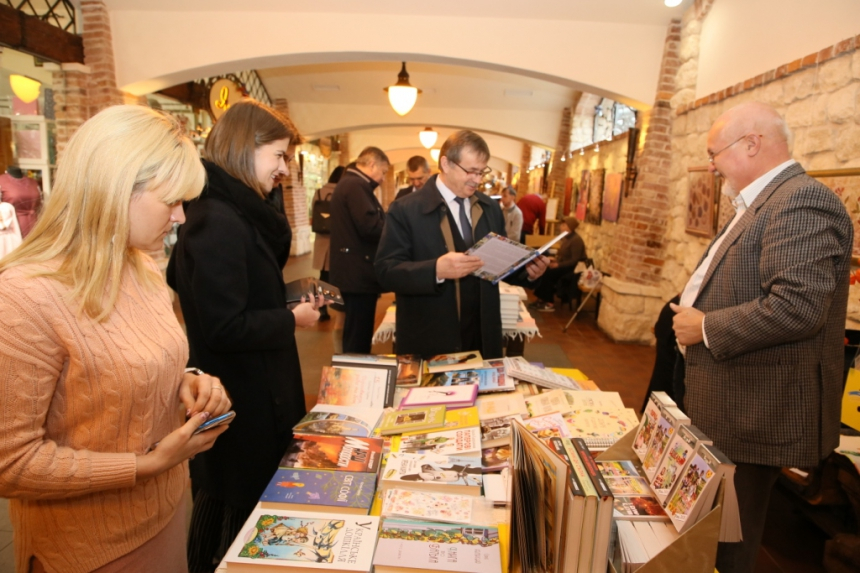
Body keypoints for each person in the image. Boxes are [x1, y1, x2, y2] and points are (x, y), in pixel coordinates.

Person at [0, 105, 232, 573]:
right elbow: (11, 462)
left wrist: (186, 379)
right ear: (117, 190)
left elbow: (123, 362)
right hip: (88, 549)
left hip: (166, 513)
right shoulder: (24, 296)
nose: (181, 217)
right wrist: (146, 465)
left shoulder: (141, 266)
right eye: (172, 201)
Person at [671, 102, 852, 573]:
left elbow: (797, 308)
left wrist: (704, 327)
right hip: (733, 396)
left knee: (730, 539)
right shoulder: (765, 200)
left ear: (752, 144)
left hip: (755, 409)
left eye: (714, 153)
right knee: (715, 530)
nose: (711, 166)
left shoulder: (800, 200)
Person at [166, 100, 322, 573]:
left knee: (236, 506)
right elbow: (224, 325)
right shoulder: (218, 219)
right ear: (243, 148)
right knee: (233, 513)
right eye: (278, 155)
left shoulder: (234, 211)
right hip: (239, 398)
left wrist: (280, 304)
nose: (284, 168)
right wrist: (290, 319)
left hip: (251, 390)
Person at [375, 130, 548, 359]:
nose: (477, 180)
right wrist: (436, 270)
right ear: (446, 164)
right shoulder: (405, 210)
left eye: (482, 172)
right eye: (471, 171)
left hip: (482, 336)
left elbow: (498, 263)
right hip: (432, 337)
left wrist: (528, 272)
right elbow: (385, 272)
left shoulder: (490, 208)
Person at [329, 147, 389, 354]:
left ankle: (354, 366)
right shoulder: (356, 185)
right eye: (383, 172)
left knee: (355, 330)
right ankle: (355, 370)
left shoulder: (350, 183)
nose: (383, 178)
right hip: (357, 273)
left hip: (352, 271)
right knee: (358, 335)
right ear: (372, 164)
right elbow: (370, 226)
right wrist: (394, 230)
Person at [530, 216, 587, 312]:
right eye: (562, 225)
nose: (561, 227)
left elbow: (574, 260)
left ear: (570, 227)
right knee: (543, 269)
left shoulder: (576, 240)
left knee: (548, 273)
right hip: (564, 265)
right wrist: (555, 259)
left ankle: (549, 303)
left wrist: (558, 265)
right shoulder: (566, 238)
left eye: (564, 225)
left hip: (572, 269)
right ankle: (541, 298)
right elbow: (563, 255)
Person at [312, 165, 345, 321]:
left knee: (324, 276)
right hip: (338, 239)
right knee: (338, 275)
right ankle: (340, 307)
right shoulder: (342, 192)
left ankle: (322, 308)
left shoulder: (319, 192)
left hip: (321, 239)